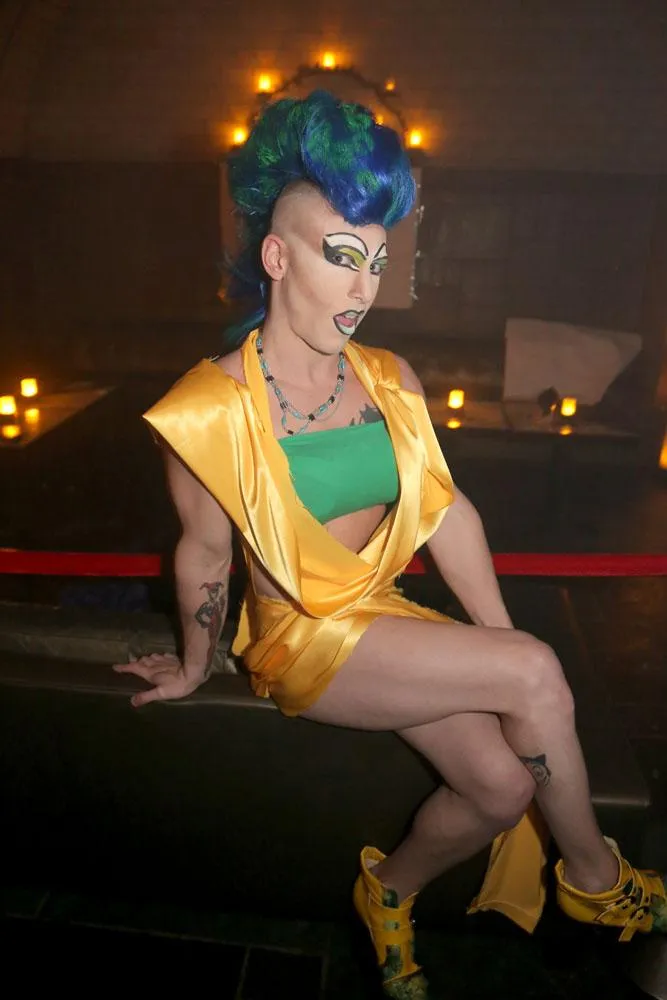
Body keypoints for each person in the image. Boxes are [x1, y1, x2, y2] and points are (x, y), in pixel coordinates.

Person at [113, 91, 666, 998]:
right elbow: (204, 559)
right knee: (535, 673)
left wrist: (494, 646)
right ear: (277, 257)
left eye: (375, 260)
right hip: (301, 640)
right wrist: (192, 664)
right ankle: (598, 884)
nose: (363, 288)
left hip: (381, 615)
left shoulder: (388, 378)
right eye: (341, 257)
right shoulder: (208, 409)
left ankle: (388, 891)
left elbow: (448, 514)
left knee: (500, 788)